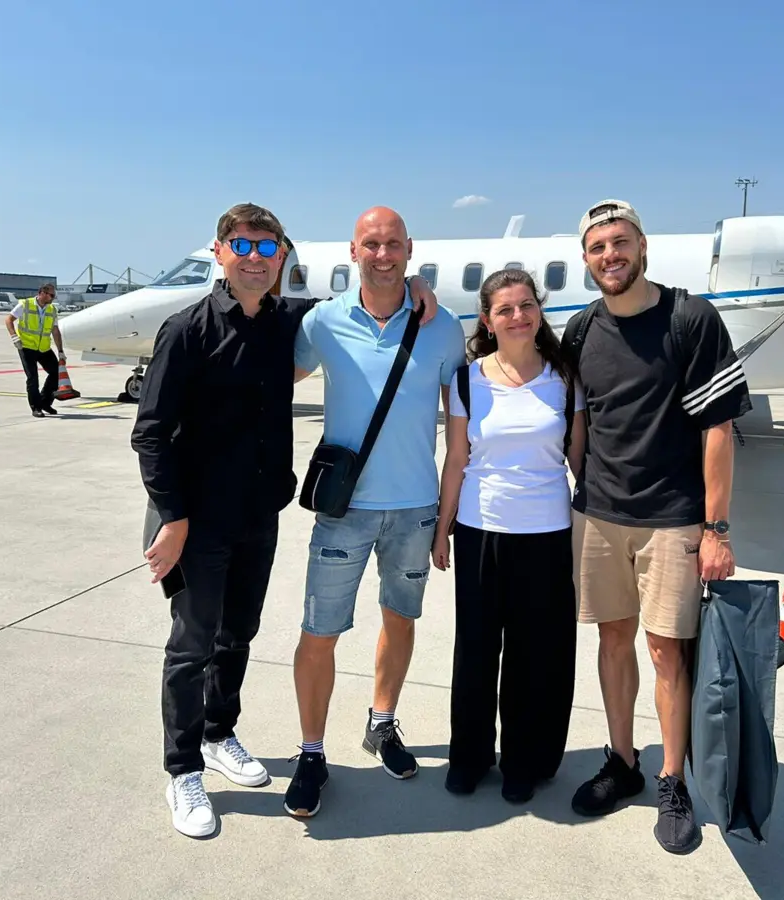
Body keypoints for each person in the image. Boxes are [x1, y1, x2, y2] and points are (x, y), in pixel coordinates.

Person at [130, 202, 437, 838]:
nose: (254, 258)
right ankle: (183, 769)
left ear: (282, 259)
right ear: (220, 251)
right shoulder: (185, 331)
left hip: (257, 512)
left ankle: (219, 732)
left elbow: (370, 296)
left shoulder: (289, 322)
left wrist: (413, 285)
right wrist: (172, 517)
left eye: (267, 248)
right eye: (242, 245)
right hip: (197, 519)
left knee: (237, 633)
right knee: (191, 643)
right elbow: (151, 434)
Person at [561, 199, 752, 854]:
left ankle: (673, 780)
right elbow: (574, 417)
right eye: (597, 247)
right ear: (586, 259)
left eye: (620, 242)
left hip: (672, 518)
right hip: (599, 514)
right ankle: (623, 761)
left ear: (642, 246)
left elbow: (718, 428)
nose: (610, 255)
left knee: (668, 651)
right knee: (612, 640)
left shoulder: (690, 319)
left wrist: (716, 529)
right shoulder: (582, 329)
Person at [285, 206, 466, 818]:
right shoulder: (322, 323)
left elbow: (461, 428)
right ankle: (312, 751)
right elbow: (270, 379)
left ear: (410, 248)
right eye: (371, 244)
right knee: (319, 631)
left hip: (415, 510)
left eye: (392, 244)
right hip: (345, 510)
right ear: (353, 250)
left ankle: (381, 723)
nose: (382, 254)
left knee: (400, 619)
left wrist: (446, 517)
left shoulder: (442, 326)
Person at [431, 268, 585, 803]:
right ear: (487, 320)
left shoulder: (565, 378)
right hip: (480, 531)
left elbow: (580, 461)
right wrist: (443, 528)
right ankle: (469, 757)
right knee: (475, 652)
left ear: (539, 311)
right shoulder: (467, 380)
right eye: (505, 309)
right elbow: (456, 459)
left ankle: (524, 760)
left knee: (532, 655)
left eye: (527, 305)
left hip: (547, 534)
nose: (518, 316)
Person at [6, 283, 64, 417]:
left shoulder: (52, 310)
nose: (53, 298)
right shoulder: (25, 305)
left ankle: (45, 402)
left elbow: (55, 331)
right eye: (51, 295)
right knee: (33, 378)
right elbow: (9, 320)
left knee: (56, 373)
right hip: (26, 347)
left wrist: (60, 351)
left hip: (44, 348)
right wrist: (14, 336)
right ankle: (36, 407)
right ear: (42, 293)